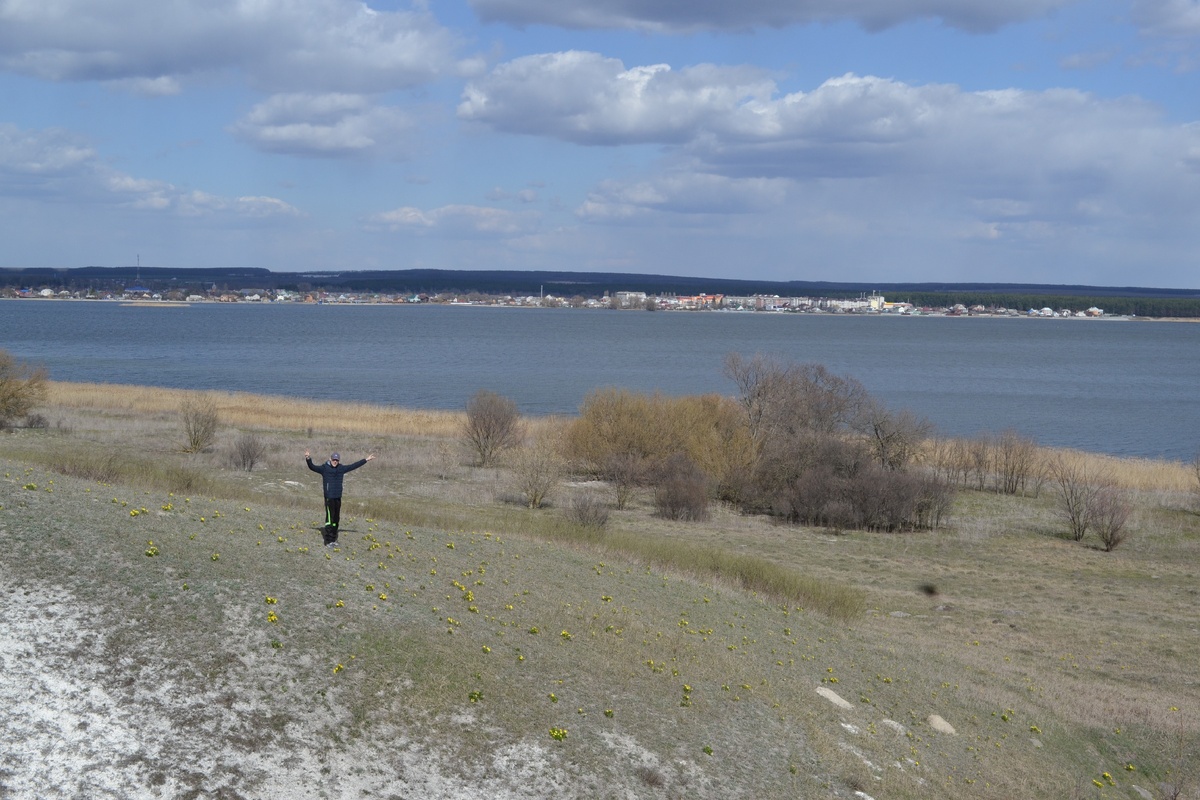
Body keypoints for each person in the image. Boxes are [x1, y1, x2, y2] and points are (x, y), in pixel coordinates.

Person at [305, 449, 375, 547]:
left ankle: (333, 539)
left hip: (338, 497)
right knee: (329, 519)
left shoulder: (341, 468)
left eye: (337, 460)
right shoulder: (324, 468)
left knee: (336, 519)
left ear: (339, 461)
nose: (335, 462)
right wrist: (308, 458)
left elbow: (353, 466)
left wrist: (366, 460)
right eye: (334, 459)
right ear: (330, 459)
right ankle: (328, 541)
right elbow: (312, 467)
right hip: (329, 498)